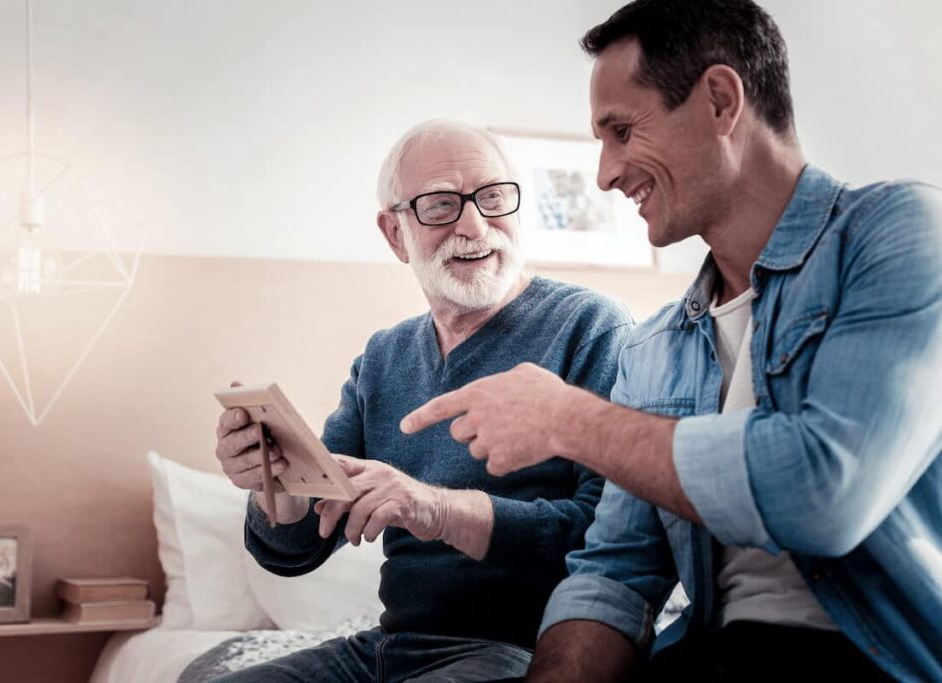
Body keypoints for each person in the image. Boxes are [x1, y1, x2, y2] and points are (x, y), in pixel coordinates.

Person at [401, 2, 942, 681]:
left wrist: (565, 417)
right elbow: (615, 573)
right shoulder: (652, 347)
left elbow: (824, 492)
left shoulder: (898, 234)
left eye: (622, 131)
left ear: (720, 101)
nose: (604, 173)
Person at [212, 119, 634, 682]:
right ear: (394, 233)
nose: (475, 225)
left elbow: (608, 536)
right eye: (440, 205)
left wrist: (432, 508)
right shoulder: (382, 358)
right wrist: (276, 488)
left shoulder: (590, 327)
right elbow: (294, 549)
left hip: (523, 649)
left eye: (492, 198)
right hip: (393, 647)